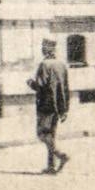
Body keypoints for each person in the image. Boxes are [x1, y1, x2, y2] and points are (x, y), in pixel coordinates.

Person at [28, 36, 69, 174]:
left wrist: (30, 83)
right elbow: (66, 87)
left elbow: (40, 86)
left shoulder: (44, 65)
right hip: (58, 106)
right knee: (51, 135)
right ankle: (51, 166)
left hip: (45, 105)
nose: (42, 49)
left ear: (46, 49)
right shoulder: (61, 64)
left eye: (43, 47)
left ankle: (61, 155)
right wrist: (65, 109)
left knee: (42, 134)